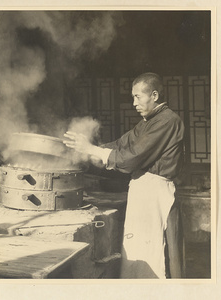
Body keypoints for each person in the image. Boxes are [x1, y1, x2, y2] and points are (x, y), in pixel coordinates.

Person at [63, 72, 185, 279]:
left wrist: (91, 149)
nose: (134, 102)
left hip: (156, 196)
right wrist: (86, 150)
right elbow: (121, 145)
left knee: (156, 254)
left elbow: (131, 158)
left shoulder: (167, 120)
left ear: (154, 95)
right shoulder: (147, 122)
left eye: (138, 96)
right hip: (143, 193)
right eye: (133, 97)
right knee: (138, 251)